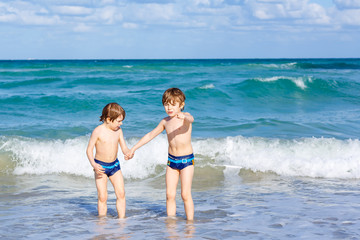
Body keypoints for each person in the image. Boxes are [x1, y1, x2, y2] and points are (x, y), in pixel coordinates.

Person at [127, 88, 195, 221]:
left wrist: (184, 116)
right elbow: (150, 135)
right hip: (172, 162)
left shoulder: (185, 117)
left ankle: (190, 224)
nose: (169, 107)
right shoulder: (165, 122)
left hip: (186, 161)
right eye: (166, 104)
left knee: (185, 194)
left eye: (173, 104)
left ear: (181, 105)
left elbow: (191, 119)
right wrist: (133, 148)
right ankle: (171, 223)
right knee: (169, 195)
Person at [86, 102, 129, 218]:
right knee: (102, 196)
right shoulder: (98, 131)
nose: (121, 123)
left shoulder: (118, 131)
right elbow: (89, 150)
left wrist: (128, 153)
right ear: (109, 119)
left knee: (121, 193)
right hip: (100, 167)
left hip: (115, 166)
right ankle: (102, 221)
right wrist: (94, 165)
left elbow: (124, 147)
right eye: (119, 121)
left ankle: (122, 219)